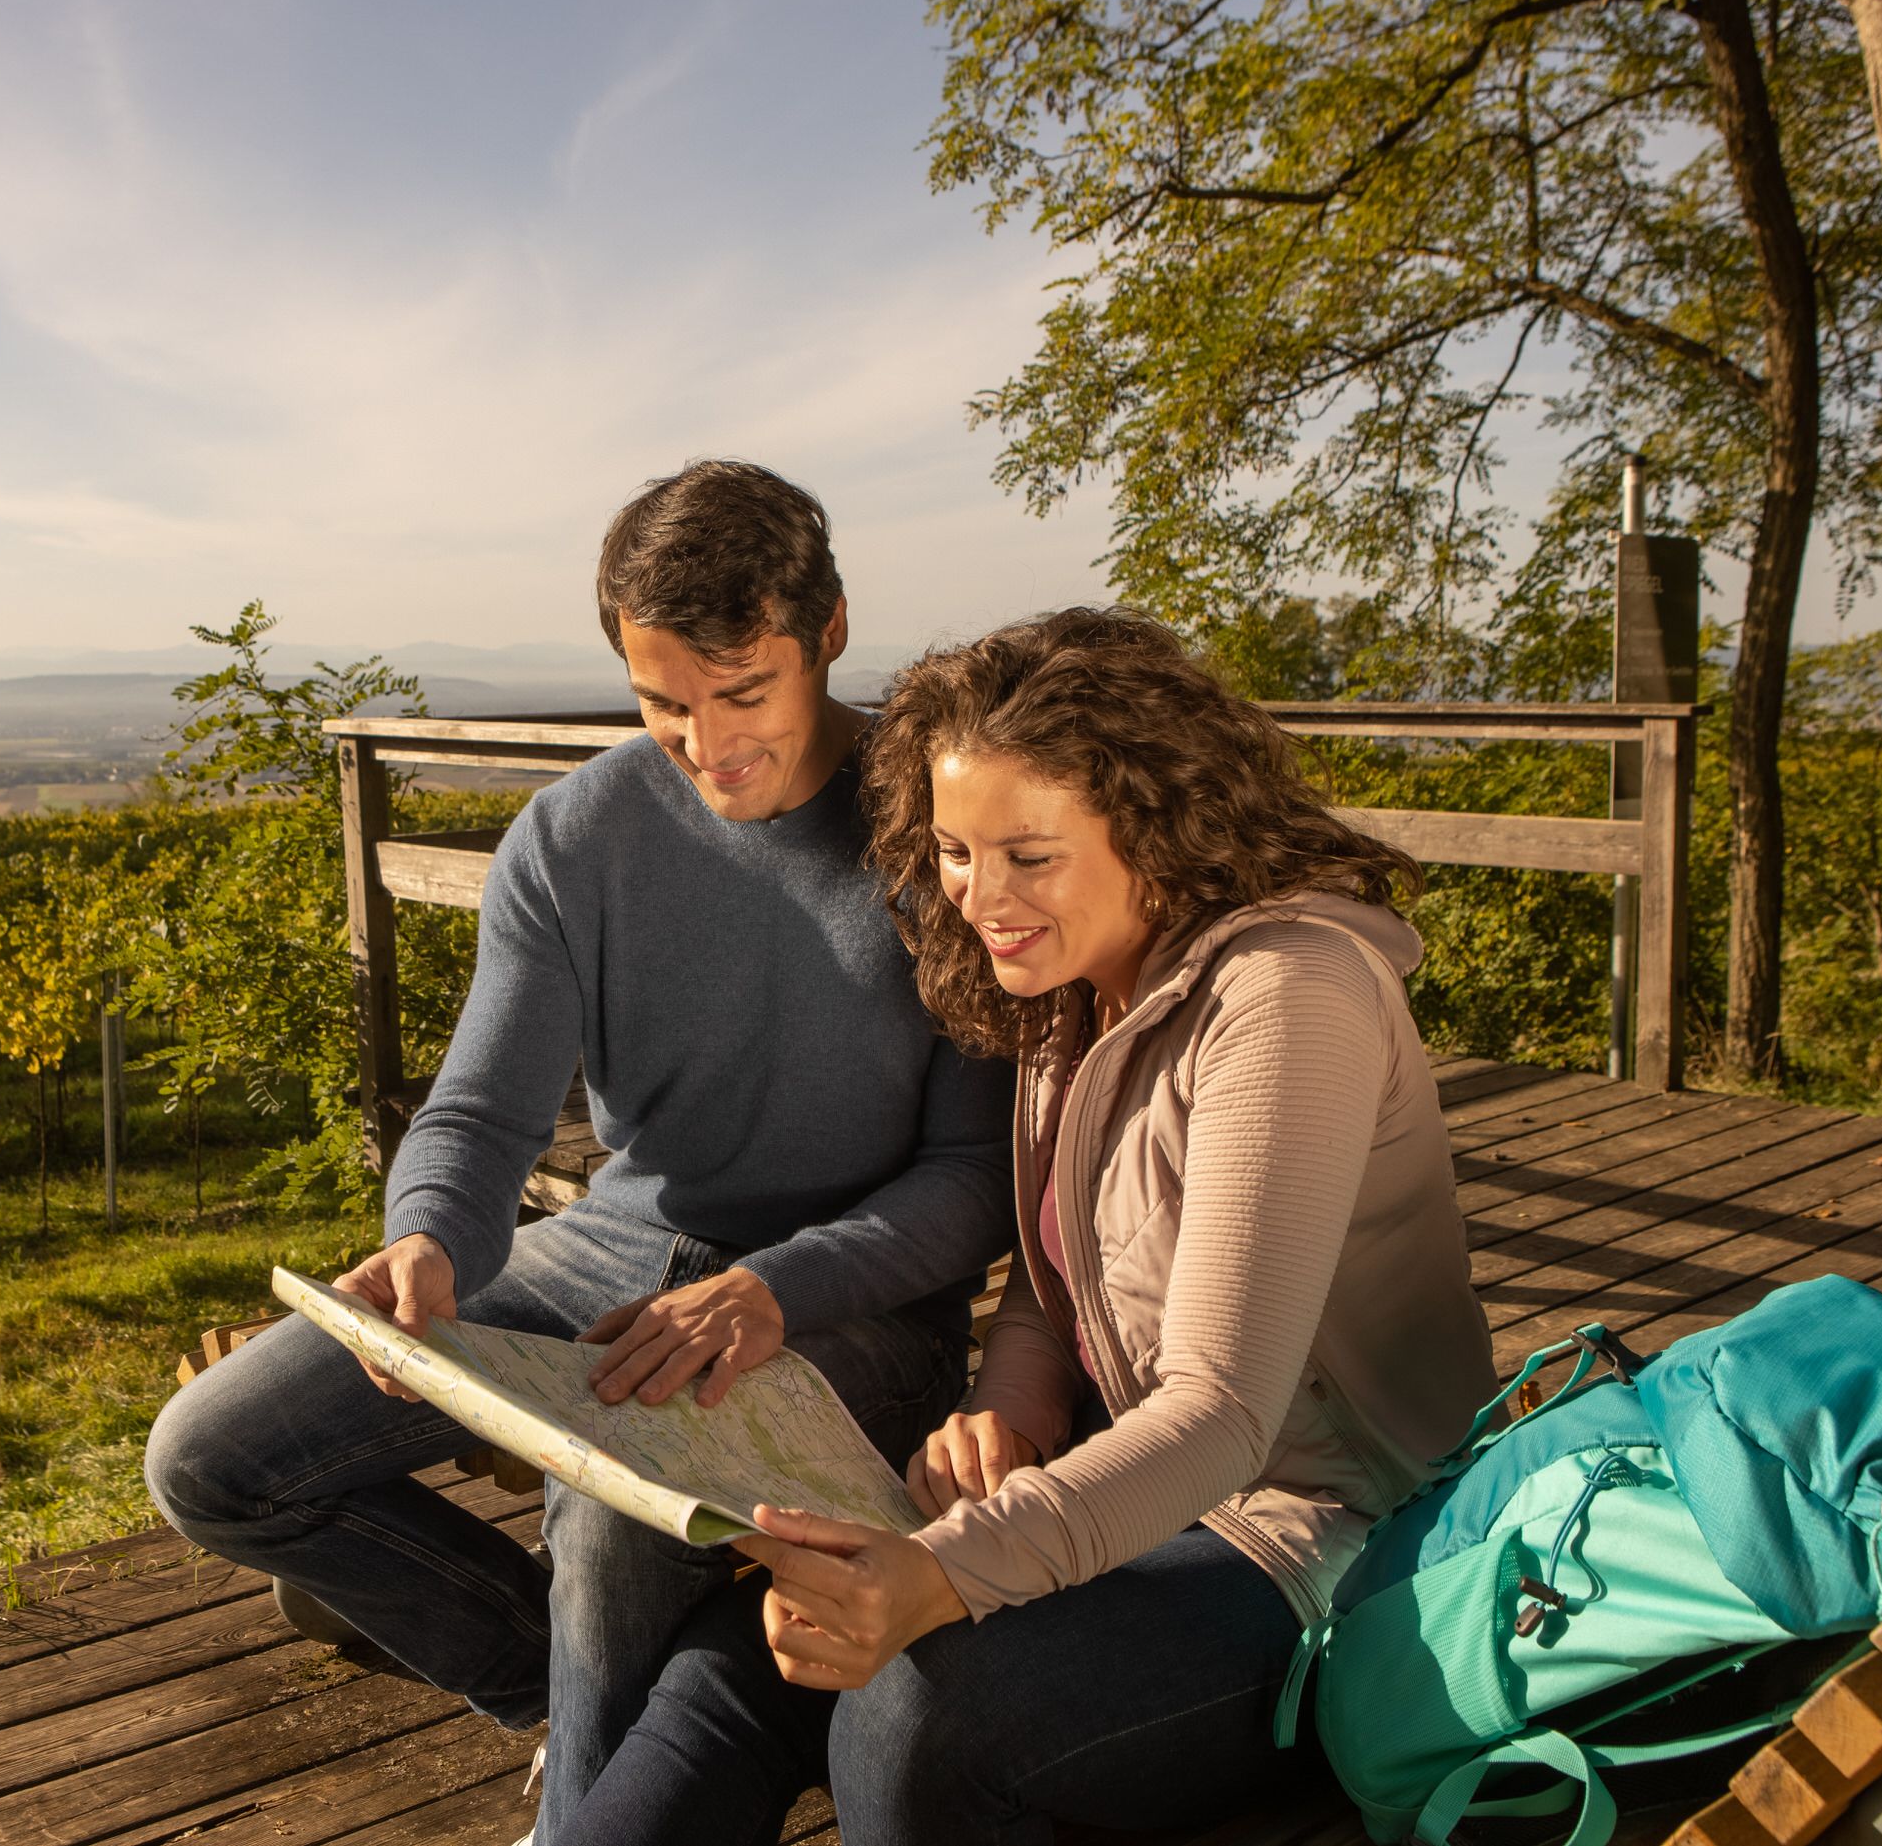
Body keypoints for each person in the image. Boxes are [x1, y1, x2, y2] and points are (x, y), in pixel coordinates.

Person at [140, 459, 1016, 1842]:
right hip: (608, 1252)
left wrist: (774, 1287)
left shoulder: (939, 832)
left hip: (850, 1305)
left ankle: (590, 1810)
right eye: (662, 701)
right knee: (211, 1456)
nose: (705, 743)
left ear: (831, 631)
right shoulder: (575, 834)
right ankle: (569, 1702)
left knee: (618, 1499)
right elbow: (480, 1115)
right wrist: (428, 1232)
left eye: (744, 695)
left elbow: (973, 1181)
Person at [556, 607, 1498, 1846]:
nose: (981, 898)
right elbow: (1061, 1283)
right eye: (952, 850)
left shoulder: (1288, 997)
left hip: (1335, 1540)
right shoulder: (1073, 994)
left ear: (1156, 832)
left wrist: (944, 1573)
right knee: (747, 1660)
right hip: (1130, 1484)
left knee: (911, 1710)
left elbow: (1221, 1414)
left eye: (1029, 857)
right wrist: (1013, 1408)